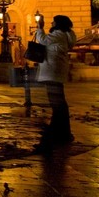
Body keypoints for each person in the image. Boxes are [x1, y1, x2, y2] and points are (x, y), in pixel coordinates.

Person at [34, 13, 77, 150]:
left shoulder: (59, 34)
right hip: (55, 72)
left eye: (53, 22)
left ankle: (53, 135)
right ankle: (62, 133)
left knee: (57, 104)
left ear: (58, 24)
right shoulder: (65, 35)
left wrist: (40, 27)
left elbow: (43, 41)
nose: (51, 24)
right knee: (59, 104)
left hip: (52, 72)